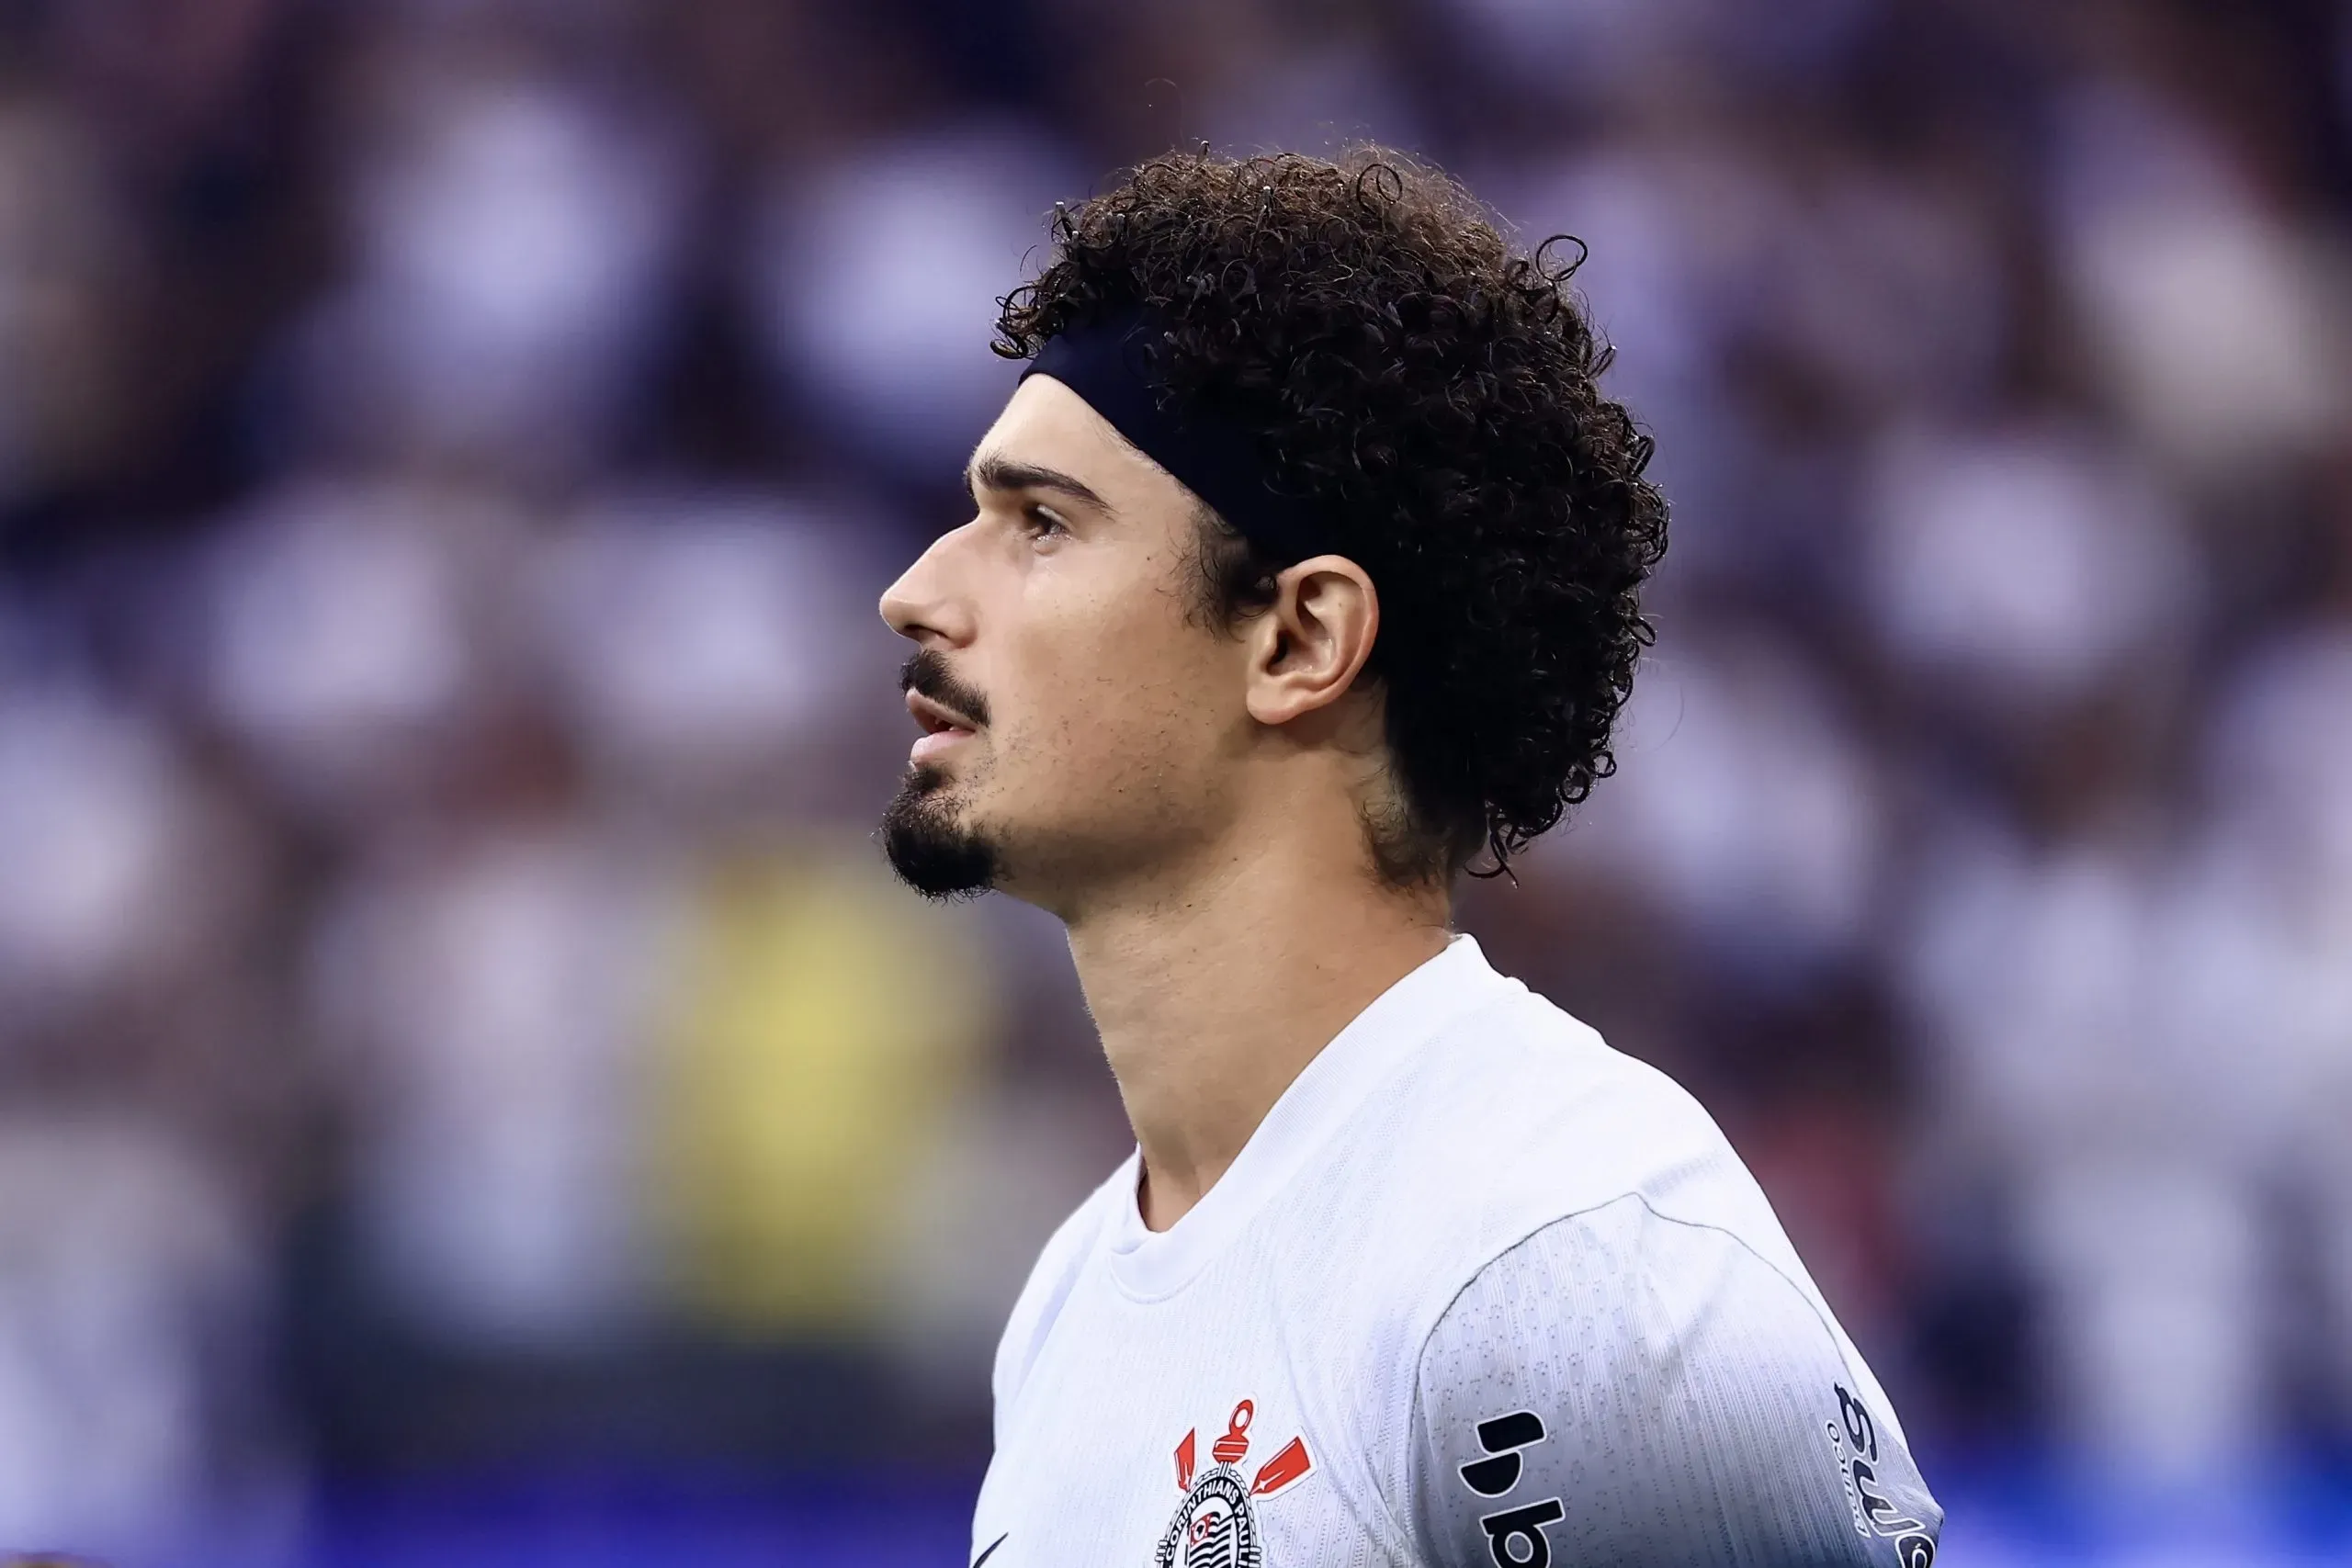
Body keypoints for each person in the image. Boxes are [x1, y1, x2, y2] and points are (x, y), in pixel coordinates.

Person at [876, 146, 1940, 1568]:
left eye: (1044, 524)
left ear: (1300, 637)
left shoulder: (1562, 1273)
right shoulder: (1073, 1297)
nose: (917, 589)